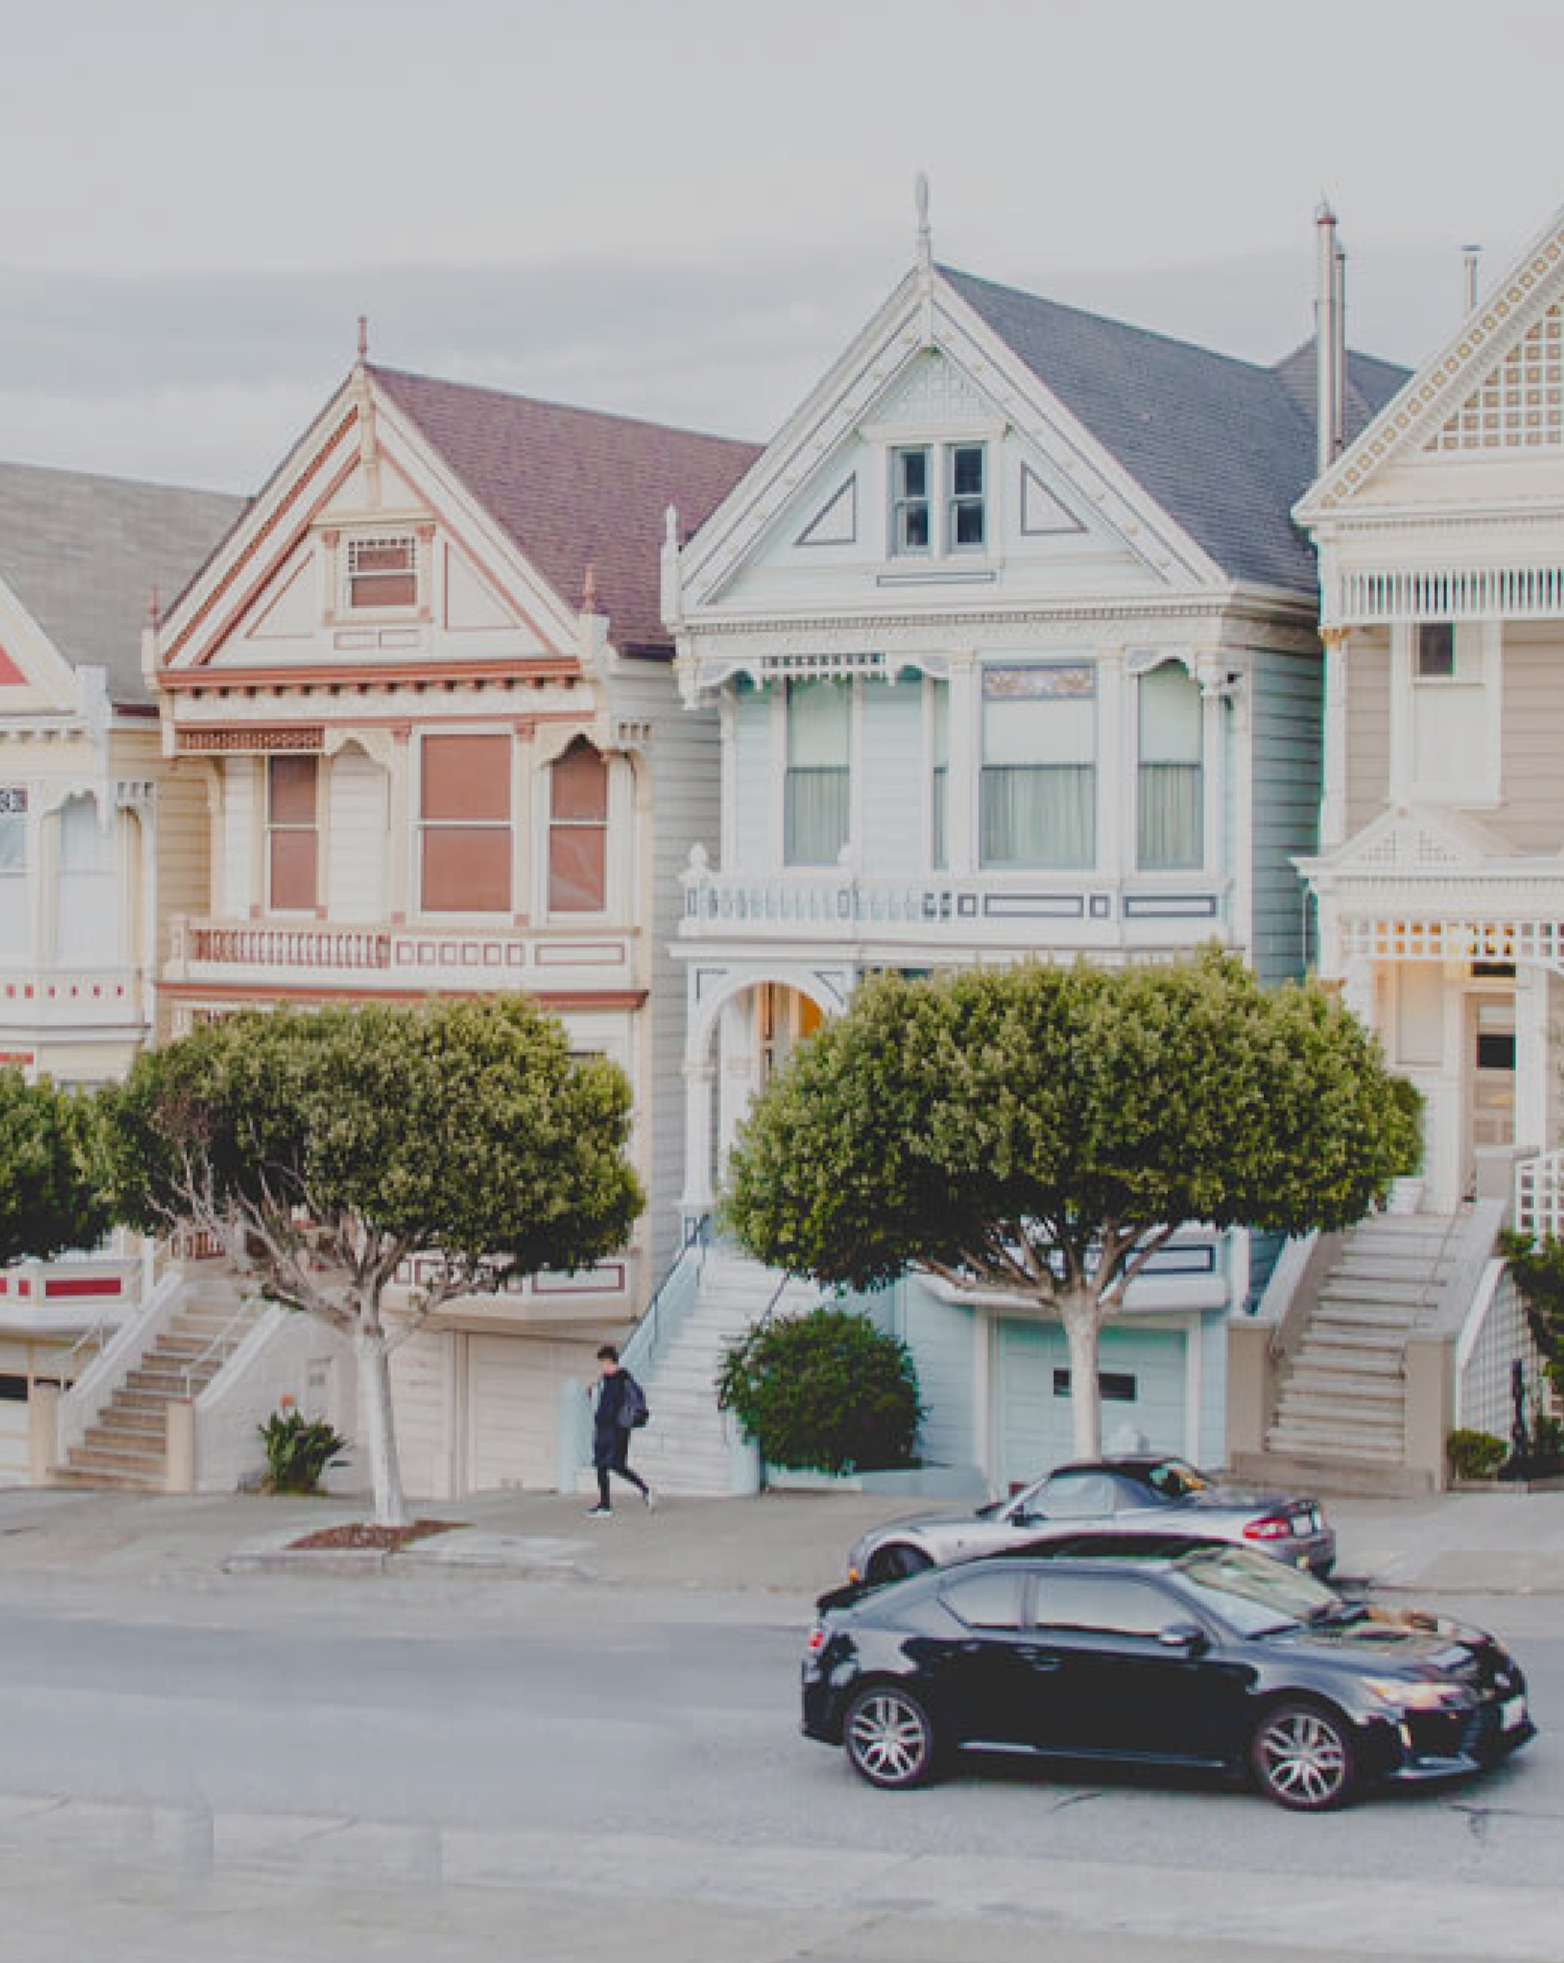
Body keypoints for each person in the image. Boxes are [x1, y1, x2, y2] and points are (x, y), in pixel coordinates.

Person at [587, 1343, 654, 1516]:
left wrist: (602, 1419)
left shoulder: (618, 1381)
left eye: (602, 1363)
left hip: (612, 1429)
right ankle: (645, 1490)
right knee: (617, 1465)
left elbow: (611, 1406)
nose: (601, 1367)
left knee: (603, 1465)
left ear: (609, 1361)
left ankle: (605, 1506)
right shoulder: (615, 1379)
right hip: (616, 1429)